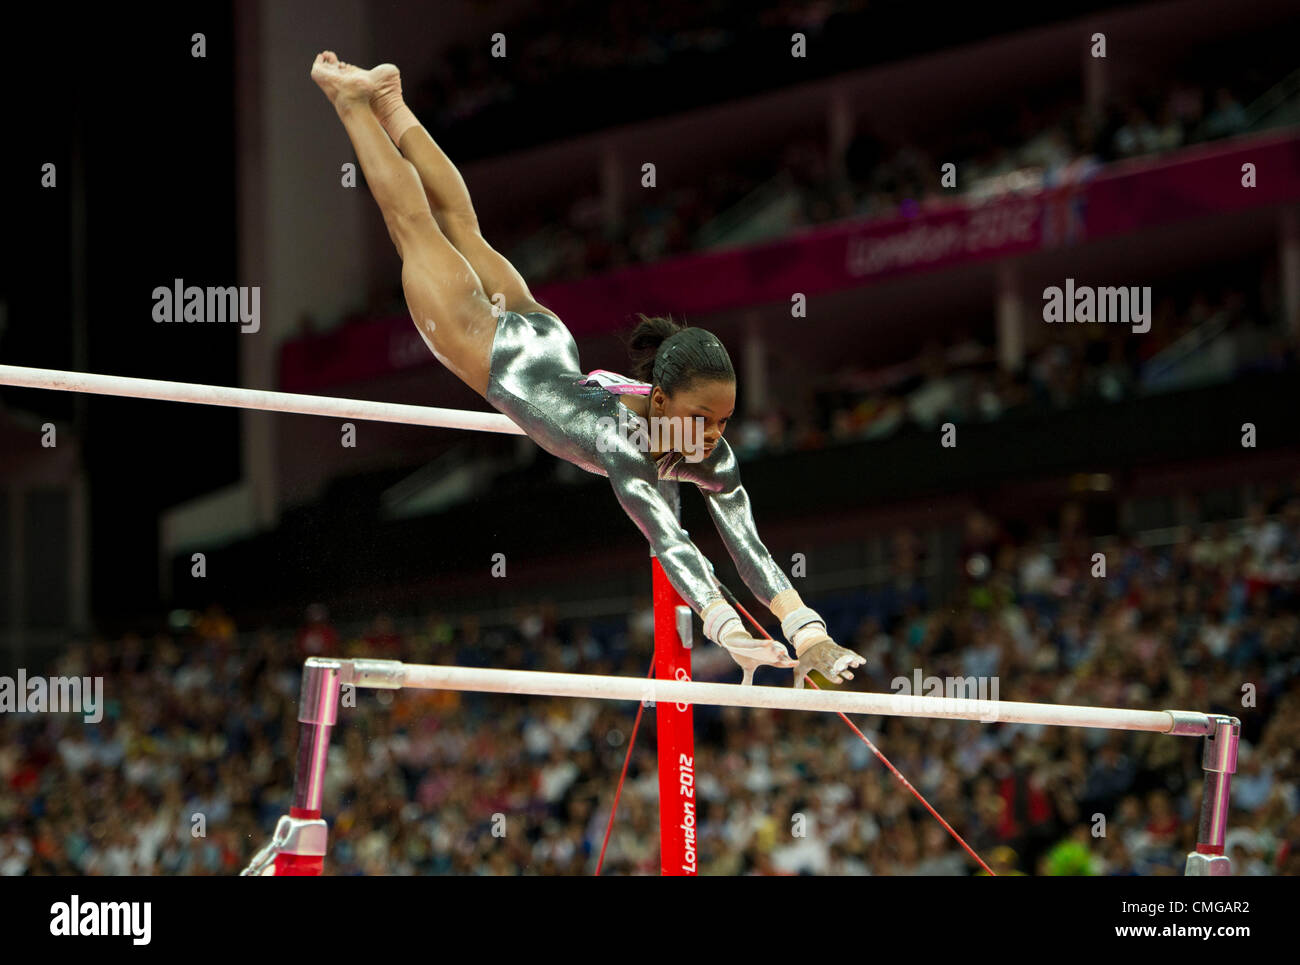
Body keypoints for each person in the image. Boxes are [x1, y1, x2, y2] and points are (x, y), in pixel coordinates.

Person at [309, 53, 864, 687]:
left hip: (545, 343)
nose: (712, 434)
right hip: (490, 350)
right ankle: (353, 101)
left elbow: (750, 548)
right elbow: (669, 539)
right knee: (417, 228)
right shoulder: (621, 441)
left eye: (724, 420)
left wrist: (808, 630)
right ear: (658, 399)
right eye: (701, 418)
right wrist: (726, 628)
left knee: (461, 225)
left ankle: (391, 104)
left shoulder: (707, 452)